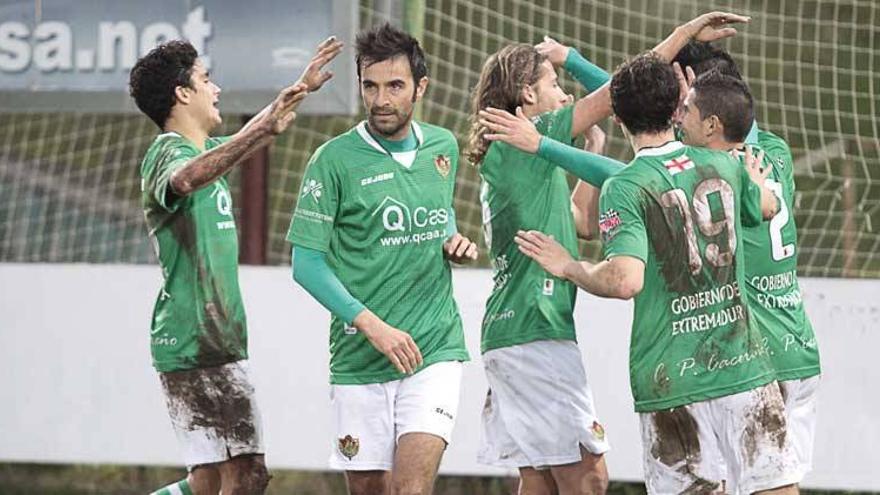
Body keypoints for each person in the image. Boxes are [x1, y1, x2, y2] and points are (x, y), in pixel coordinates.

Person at [466, 12, 751, 495]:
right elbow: (622, 91)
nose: (565, 95)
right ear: (528, 96)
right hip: (535, 330)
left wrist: (583, 165)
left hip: (511, 332)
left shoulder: (521, 155)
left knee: (539, 476)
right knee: (589, 477)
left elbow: (579, 226)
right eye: (554, 84)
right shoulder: (527, 136)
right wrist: (681, 35)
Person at [513, 51, 804, 494]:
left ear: (618, 120)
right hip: (745, 365)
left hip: (673, 377)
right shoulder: (725, 162)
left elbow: (626, 280)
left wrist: (570, 266)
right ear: (677, 109)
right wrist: (758, 182)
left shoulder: (625, 187)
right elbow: (766, 207)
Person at [130, 36, 342, 495]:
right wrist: (258, 129)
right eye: (206, 80)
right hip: (198, 339)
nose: (216, 89)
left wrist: (295, 93)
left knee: (206, 482)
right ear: (183, 94)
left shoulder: (204, 156)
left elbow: (250, 139)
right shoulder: (168, 152)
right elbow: (188, 177)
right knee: (247, 475)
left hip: (204, 339)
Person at [286, 23, 477, 495]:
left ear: (420, 88)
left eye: (395, 86)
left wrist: (455, 241)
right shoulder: (332, 160)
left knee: (410, 489)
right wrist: (373, 325)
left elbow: (440, 217)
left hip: (433, 348)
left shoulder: (443, 148)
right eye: (370, 86)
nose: (381, 99)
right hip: (360, 355)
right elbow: (306, 264)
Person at [675, 44, 822, 481]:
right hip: (797, 345)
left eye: (681, 101)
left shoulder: (711, 166)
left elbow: (636, 120)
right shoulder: (774, 150)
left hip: (754, 357)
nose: (675, 111)